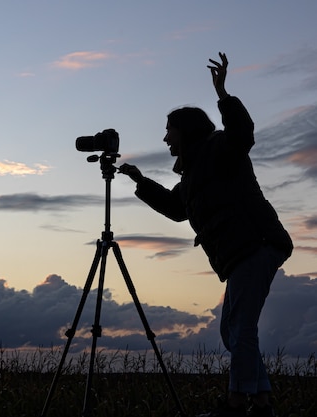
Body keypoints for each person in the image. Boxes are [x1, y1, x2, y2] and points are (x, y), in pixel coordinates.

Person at [119, 53, 293, 417]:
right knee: (232, 331)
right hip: (239, 254)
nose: (165, 137)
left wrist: (224, 94)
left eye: (170, 130)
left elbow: (242, 134)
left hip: (256, 244)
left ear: (186, 132)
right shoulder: (192, 176)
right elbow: (175, 209)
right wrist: (139, 181)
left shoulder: (219, 148)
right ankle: (260, 402)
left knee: (242, 327)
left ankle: (236, 403)